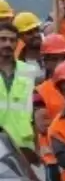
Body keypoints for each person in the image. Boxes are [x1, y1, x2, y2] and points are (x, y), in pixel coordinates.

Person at [0, 19, 38, 156]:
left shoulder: (30, 72)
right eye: (3, 39)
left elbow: (37, 110)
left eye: (12, 40)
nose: (7, 44)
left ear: (17, 43)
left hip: (23, 148)